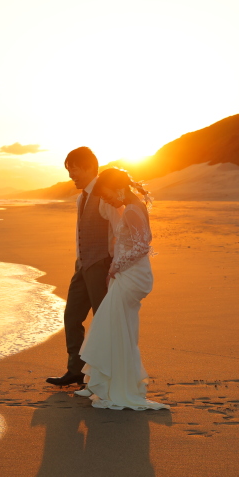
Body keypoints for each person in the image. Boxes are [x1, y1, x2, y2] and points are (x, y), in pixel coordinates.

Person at [73, 167, 168, 410]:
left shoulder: (134, 210)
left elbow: (141, 246)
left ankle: (113, 385)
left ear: (118, 187)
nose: (107, 200)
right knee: (115, 328)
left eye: (107, 195)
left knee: (114, 329)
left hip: (131, 277)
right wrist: (115, 267)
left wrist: (114, 269)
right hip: (127, 274)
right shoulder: (132, 207)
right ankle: (100, 382)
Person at [46, 148, 122, 387]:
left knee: (102, 321)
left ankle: (106, 373)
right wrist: (80, 261)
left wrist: (113, 265)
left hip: (101, 266)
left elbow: (120, 232)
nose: (71, 175)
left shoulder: (106, 195)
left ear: (89, 167)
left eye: (74, 169)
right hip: (83, 266)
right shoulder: (82, 197)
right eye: (69, 170)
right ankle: (75, 370)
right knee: (72, 316)